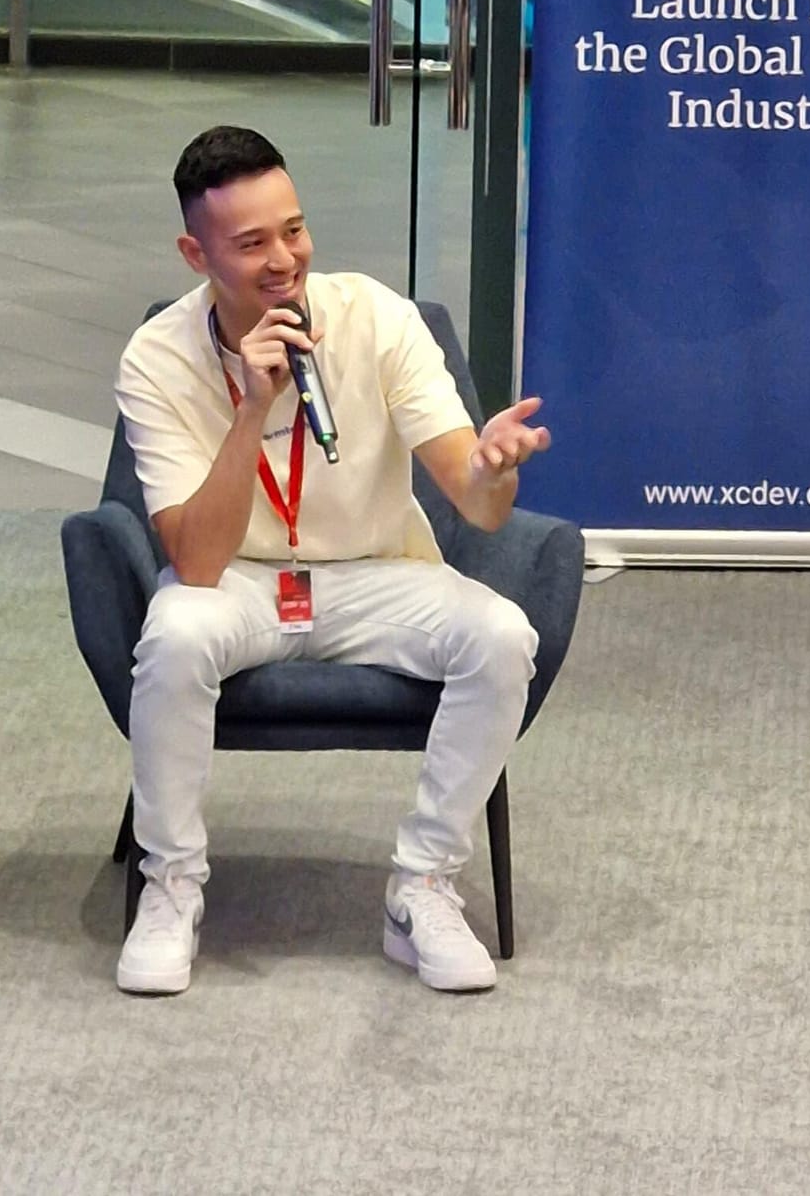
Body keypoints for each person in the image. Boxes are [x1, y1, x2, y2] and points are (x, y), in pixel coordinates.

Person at [113, 125, 550, 996]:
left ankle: (423, 886)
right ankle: (172, 884)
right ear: (196, 254)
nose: (285, 261)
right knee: (174, 636)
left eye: (295, 230)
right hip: (237, 578)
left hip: (375, 571)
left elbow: (475, 504)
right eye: (252, 244)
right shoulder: (156, 358)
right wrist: (252, 407)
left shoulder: (376, 319)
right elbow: (195, 562)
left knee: (502, 636)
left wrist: (493, 469)